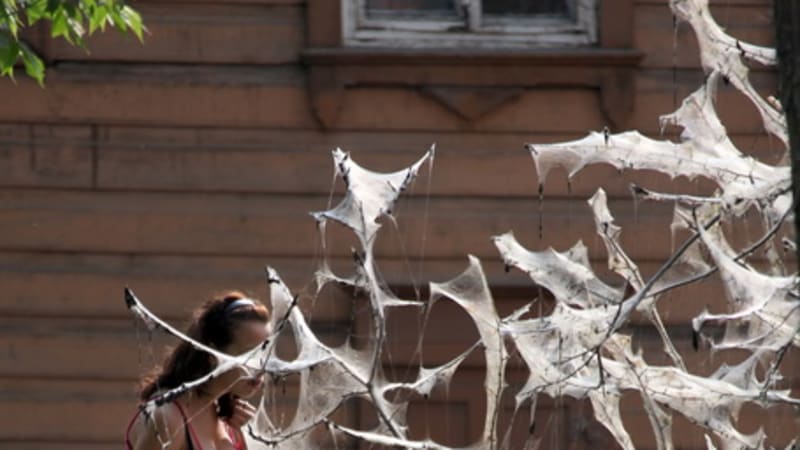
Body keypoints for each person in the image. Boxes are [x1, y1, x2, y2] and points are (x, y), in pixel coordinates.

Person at [125, 291, 271, 450]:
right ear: (213, 354)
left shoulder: (231, 417)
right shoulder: (169, 417)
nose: (262, 367)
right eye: (249, 355)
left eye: (266, 354)